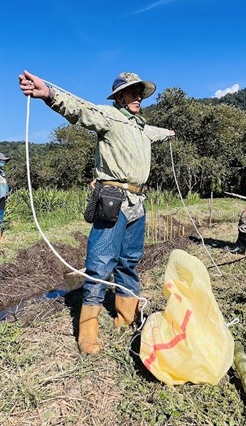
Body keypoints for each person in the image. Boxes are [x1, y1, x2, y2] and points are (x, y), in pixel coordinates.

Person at [19, 69, 175, 354]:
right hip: (113, 199)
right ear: (119, 97)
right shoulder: (108, 116)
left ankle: (125, 317)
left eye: (140, 91)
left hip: (138, 203)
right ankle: (88, 330)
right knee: (101, 263)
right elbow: (78, 110)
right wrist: (49, 94)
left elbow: (157, 133)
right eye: (132, 91)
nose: (138, 96)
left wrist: (169, 134)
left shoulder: (141, 127)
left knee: (129, 261)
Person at [0, 153, 10, 239]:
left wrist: (7, 194)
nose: (3, 162)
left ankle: (0, 235)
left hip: (2, 196)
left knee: (1, 215)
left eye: (4, 161)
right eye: (1, 161)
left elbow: (5, 184)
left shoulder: (2, 172)